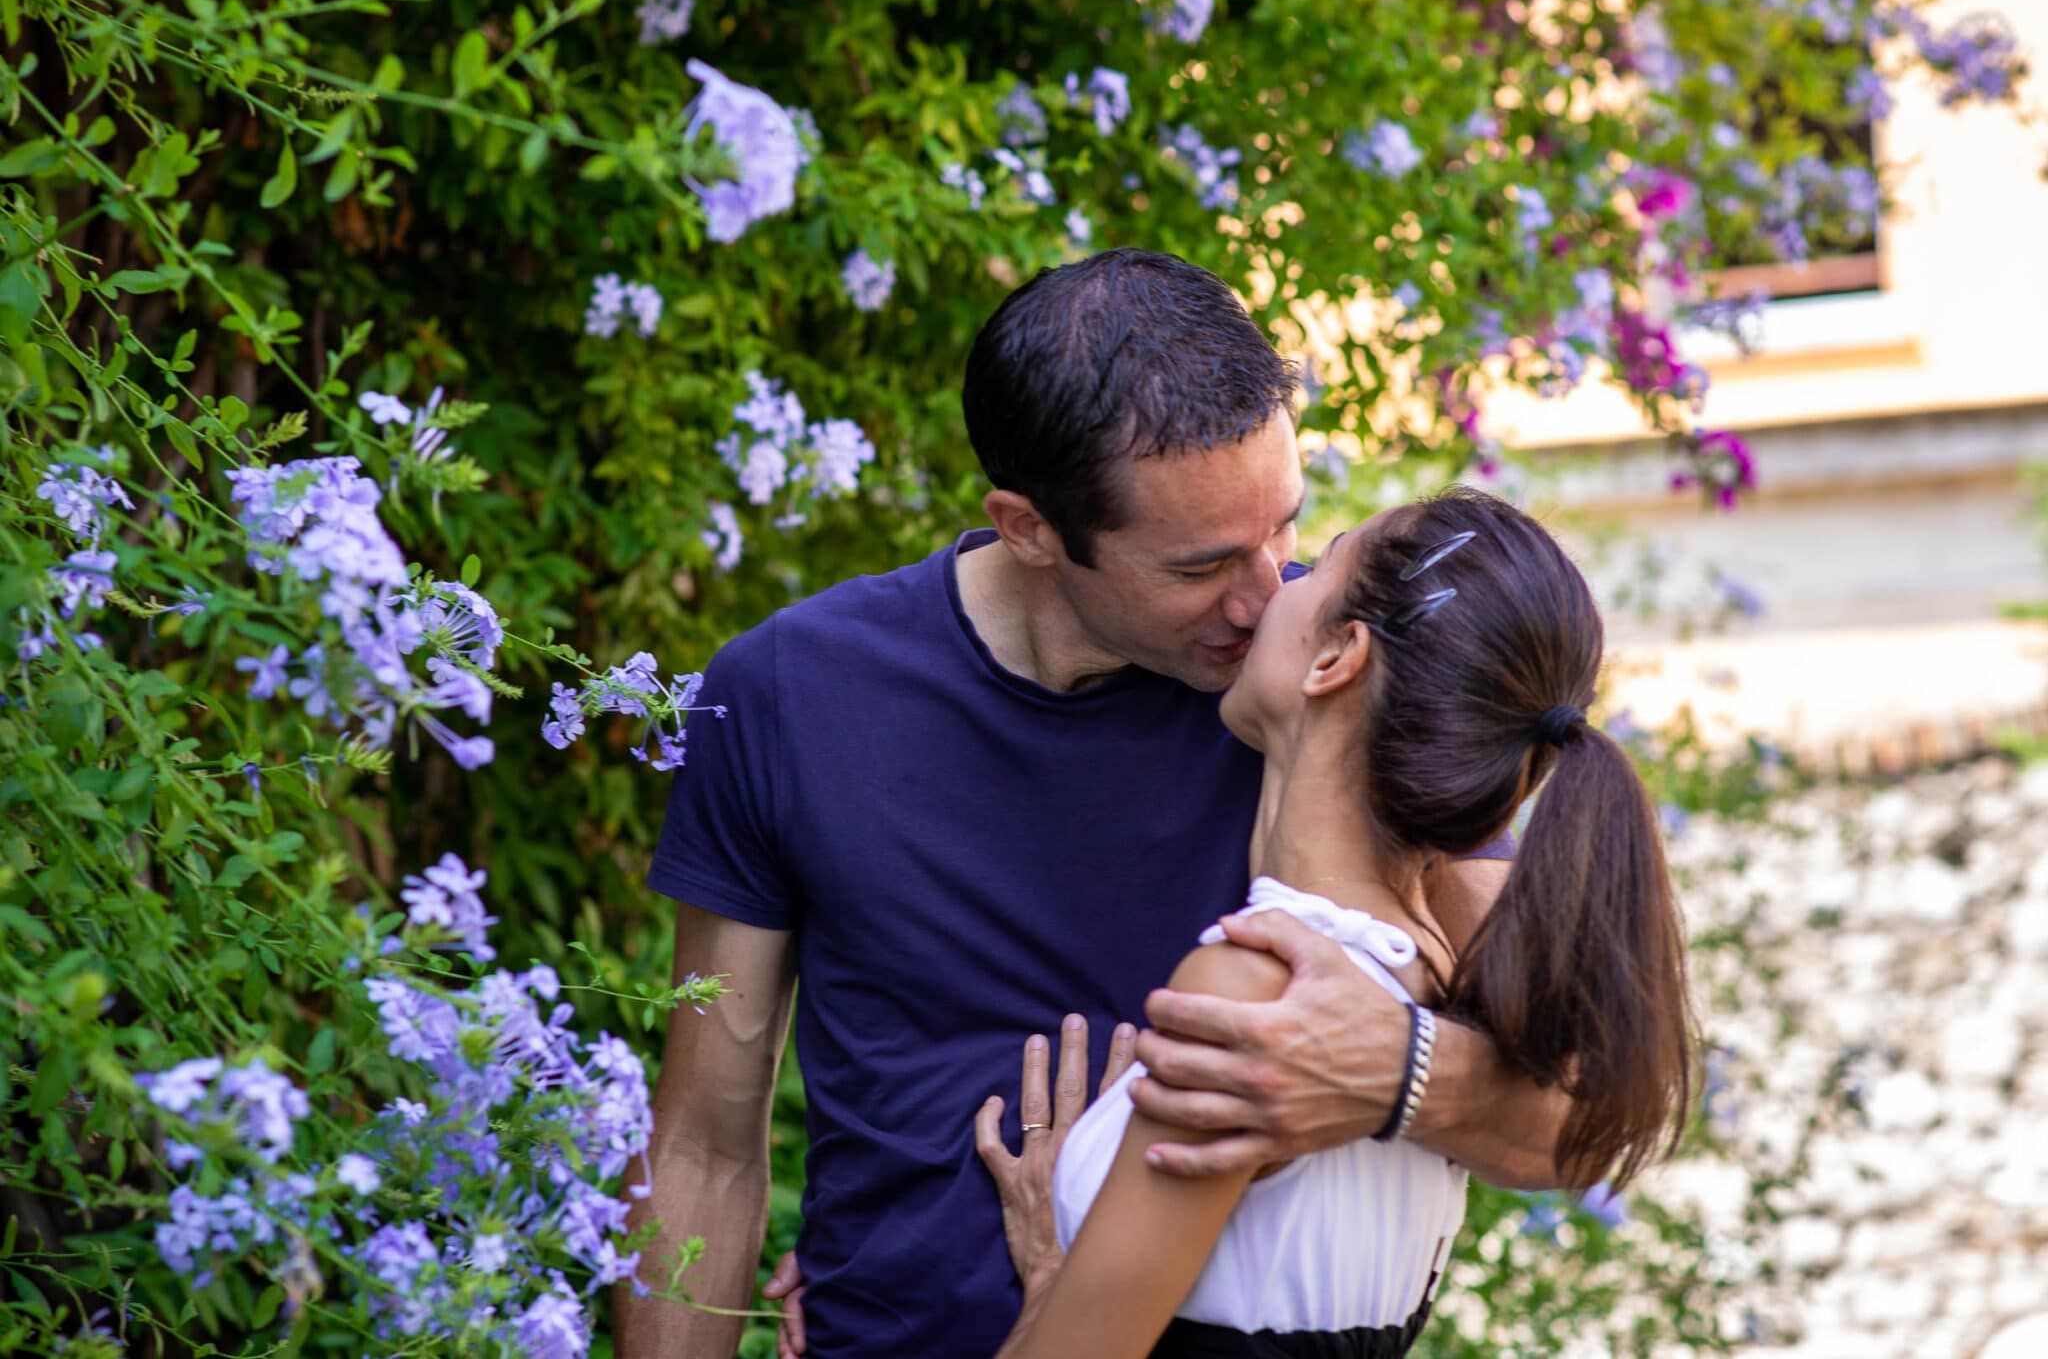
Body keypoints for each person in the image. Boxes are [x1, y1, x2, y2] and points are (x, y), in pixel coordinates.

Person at [616, 250, 1578, 1359]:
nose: (1268, 593)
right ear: (1028, 528)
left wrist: (1391, 1071)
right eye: (1201, 565)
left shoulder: (1330, 709)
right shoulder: (788, 695)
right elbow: (701, 1148)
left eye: (1286, 528)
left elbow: (1580, 1114)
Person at [975, 488, 1696, 1358]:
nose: (1271, 583)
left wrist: (1055, 1280)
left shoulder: (1260, 991)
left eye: (1313, 569)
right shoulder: (1445, 977)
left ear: (1336, 658)